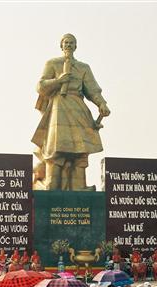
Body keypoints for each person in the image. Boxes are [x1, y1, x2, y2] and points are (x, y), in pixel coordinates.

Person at [31, 33, 110, 191]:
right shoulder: (52, 63)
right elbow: (40, 86)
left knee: (80, 151)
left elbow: (93, 90)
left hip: (78, 109)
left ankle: (79, 186)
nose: (68, 45)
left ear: (75, 46)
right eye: (66, 42)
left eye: (71, 43)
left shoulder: (83, 68)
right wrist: (59, 81)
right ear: (61, 46)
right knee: (56, 149)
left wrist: (101, 103)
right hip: (58, 108)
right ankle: (52, 186)